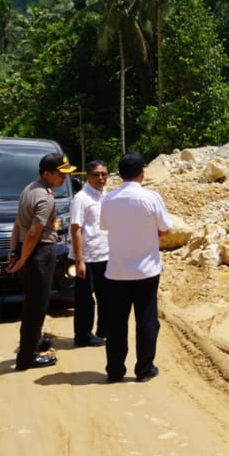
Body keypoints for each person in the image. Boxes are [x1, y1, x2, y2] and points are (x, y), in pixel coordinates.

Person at [101, 151, 171, 383]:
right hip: (146, 271)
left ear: (119, 174)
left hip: (117, 271)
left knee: (116, 323)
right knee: (147, 320)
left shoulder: (108, 199)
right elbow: (165, 229)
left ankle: (115, 370)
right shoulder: (151, 198)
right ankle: (144, 369)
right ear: (142, 173)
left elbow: (106, 226)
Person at [7, 152, 75, 371]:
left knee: (32, 302)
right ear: (47, 174)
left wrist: (14, 250)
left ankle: (33, 343)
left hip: (27, 250)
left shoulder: (29, 189)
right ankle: (27, 357)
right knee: (36, 307)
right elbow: (35, 233)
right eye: (60, 174)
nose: (64, 178)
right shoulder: (45, 198)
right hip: (39, 253)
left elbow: (17, 222)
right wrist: (23, 258)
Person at [70, 160, 110, 348]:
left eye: (104, 174)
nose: (101, 178)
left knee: (106, 296)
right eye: (96, 174)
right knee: (85, 299)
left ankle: (104, 329)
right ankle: (83, 335)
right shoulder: (81, 198)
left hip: (105, 254)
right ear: (88, 176)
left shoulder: (105, 195)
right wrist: (79, 260)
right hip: (88, 256)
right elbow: (76, 229)